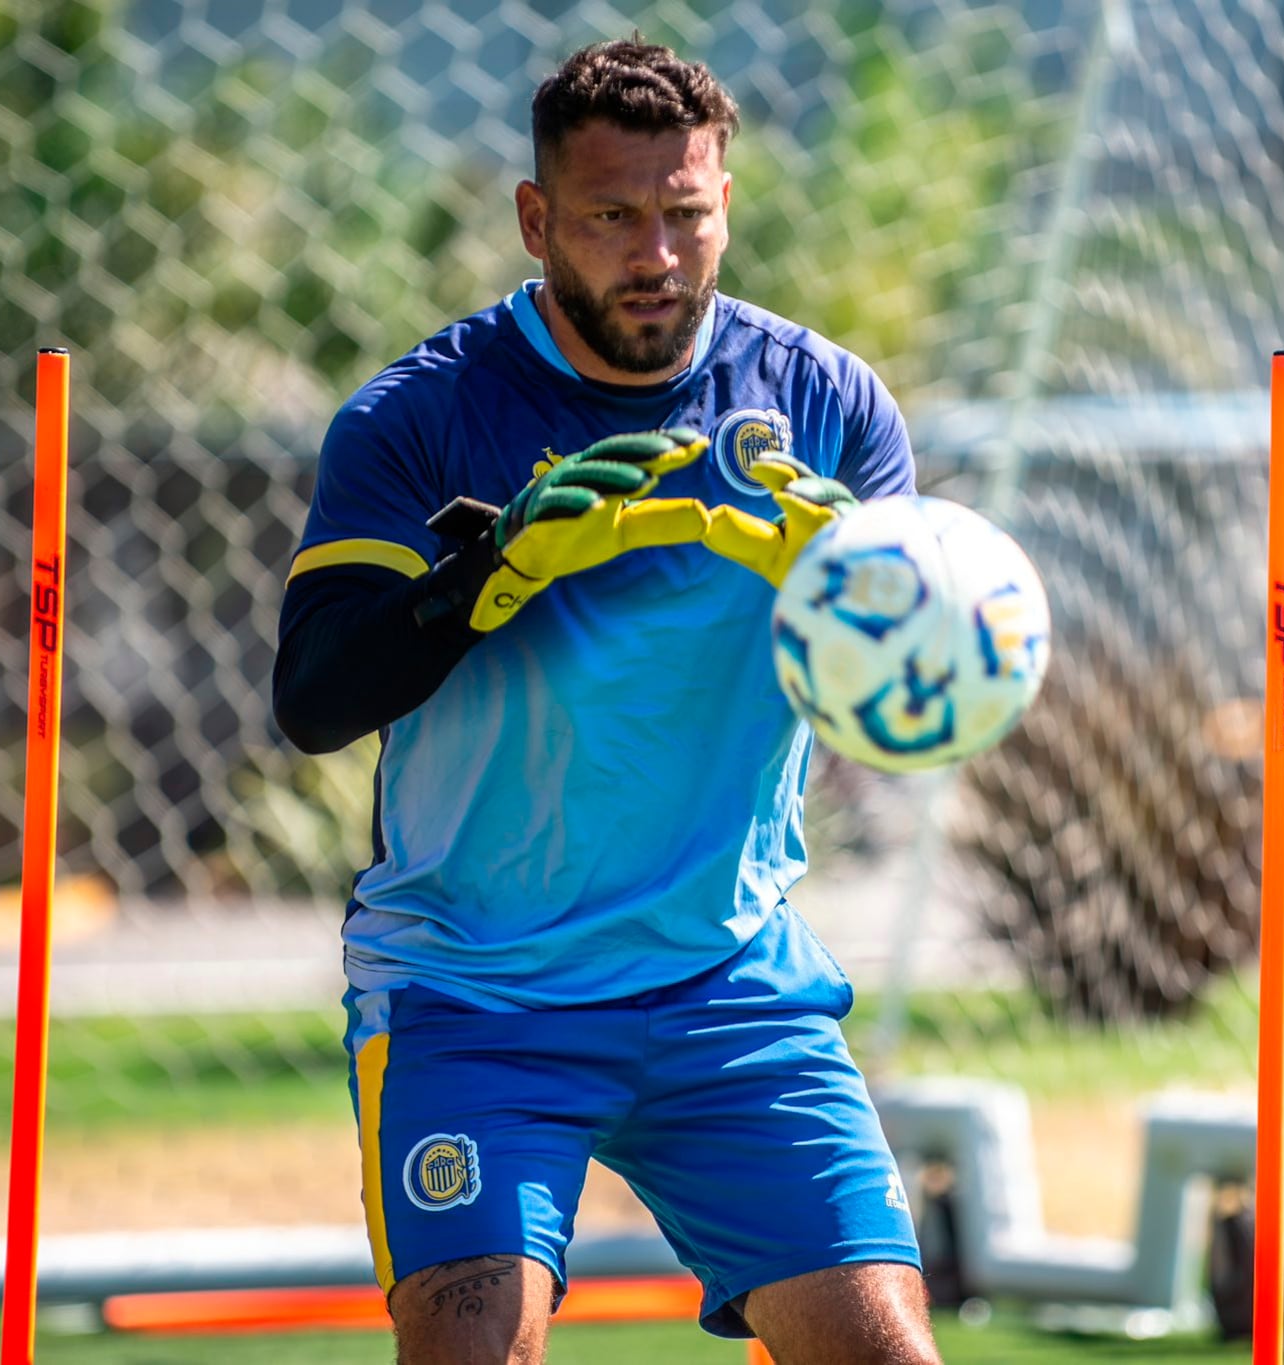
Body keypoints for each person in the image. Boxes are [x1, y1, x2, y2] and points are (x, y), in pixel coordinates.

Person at [273, 38, 938, 1365]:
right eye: (612, 217)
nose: (658, 255)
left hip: (731, 984)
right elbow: (314, 697)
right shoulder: (420, 417)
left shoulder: (825, 406)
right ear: (537, 220)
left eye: (686, 213)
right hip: (474, 995)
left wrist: (861, 599)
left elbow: (904, 711)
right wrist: (490, 574)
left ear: (726, 202)